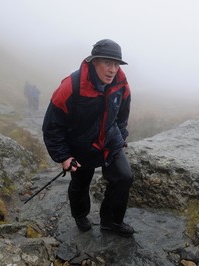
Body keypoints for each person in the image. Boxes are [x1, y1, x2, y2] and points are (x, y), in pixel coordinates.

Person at [42, 39, 134, 237]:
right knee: (81, 184)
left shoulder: (121, 85)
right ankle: (80, 214)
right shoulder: (71, 86)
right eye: (107, 63)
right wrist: (64, 156)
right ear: (94, 62)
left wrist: (120, 136)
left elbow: (122, 115)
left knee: (124, 178)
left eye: (116, 64)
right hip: (81, 146)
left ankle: (111, 222)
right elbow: (52, 126)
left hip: (109, 142)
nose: (113, 69)